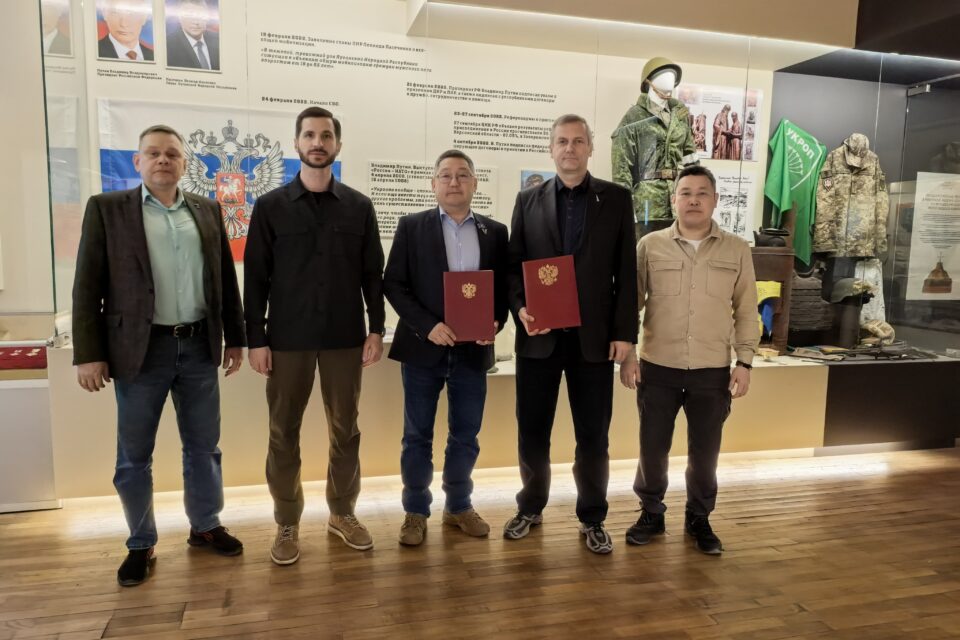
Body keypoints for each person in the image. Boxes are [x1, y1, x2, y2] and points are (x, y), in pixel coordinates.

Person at [72, 124, 246, 586]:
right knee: (134, 456)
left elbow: (224, 281)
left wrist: (236, 338)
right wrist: (88, 354)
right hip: (139, 351)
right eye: (153, 153)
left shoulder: (207, 210)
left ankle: (205, 525)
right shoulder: (107, 209)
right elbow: (87, 286)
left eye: (172, 153)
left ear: (185, 163)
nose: (163, 160)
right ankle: (140, 542)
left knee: (204, 448)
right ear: (138, 161)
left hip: (198, 348)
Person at [244, 106, 386, 564]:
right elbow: (256, 278)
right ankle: (287, 520)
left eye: (326, 135)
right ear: (297, 143)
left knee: (346, 429)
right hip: (287, 339)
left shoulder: (359, 207)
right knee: (283, 431)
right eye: (309, 135)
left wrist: (377, 328)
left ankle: (342, 513)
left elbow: (373, 274)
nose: (318, 143)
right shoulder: (270, 207)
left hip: (345, 337)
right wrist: (256, 339)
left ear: (337, 145)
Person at [503, 114, 638, 554]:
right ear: (551, 148)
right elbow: (513, 267)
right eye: (562, 141)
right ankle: (530, 506)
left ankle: (593, 516)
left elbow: (627, 272)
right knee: (532, 431)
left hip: (593, 340)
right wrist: (520, 309)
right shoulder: (527, 200)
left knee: (594, 436)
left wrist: (625, 335)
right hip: (539, 337)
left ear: (590, 148)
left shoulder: (616, 199)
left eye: (578, 141)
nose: (570, 149)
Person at [619, 165, 759, 555]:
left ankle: (699, 517)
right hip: (658, 366)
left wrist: (745, 362)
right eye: (686, 193)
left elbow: (747, 309)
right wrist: (627, 355)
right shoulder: (650, 246)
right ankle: (651, 512)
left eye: (702, 193)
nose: (693, 200)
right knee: (652, 448)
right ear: (673, 199)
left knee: (705, 452)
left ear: (715, 200)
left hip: (711, 370)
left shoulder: (736, 249)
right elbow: (631, 304)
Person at [383, 150, 509, 546]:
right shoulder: (411, 226)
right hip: (423, 350)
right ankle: (415, 512)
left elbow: (503, 290)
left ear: (475, 183)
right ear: (433, 183)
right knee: (417, 436)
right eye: (446, 175)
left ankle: (458, 506)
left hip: (472, 353)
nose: (454, 182)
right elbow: (393, 284)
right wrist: (428, 326)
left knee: (466, 435)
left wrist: (495, 322)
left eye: (463, 175)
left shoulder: (495, 232)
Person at [166, 0, 220, 70]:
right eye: (190, 16)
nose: (196, 22)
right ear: (180, 18)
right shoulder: (168, 45)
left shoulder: (218, 39)